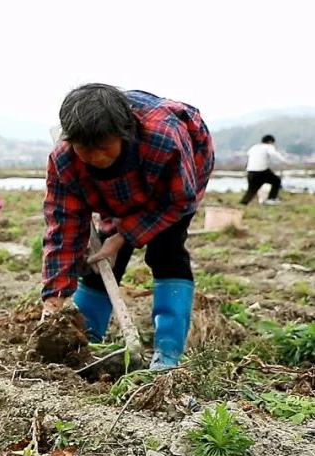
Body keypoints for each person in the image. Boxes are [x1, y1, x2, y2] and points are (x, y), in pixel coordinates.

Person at [41, 84, 214, 370]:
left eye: (104, 147)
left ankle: (167, 351)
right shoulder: (65, 160)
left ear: (123, 133)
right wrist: (53, 302)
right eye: (86, 149)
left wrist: (125, 236)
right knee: (99, 260)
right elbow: (63, 228)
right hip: (115, 192)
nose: (96, 157)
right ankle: (85, 339)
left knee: (166, 251)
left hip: (175, 184)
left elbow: (177, 202)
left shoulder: (164, 139)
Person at [240, 134, 288, 206]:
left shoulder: (254, 147)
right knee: (276, 181)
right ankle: (271, 199)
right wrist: (285, 161)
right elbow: (274, 155)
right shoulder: (268, 147)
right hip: (261, 171)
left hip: (251, 172)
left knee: (251, 190)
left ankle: (243, 203)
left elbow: (248, 155)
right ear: (270, 141)